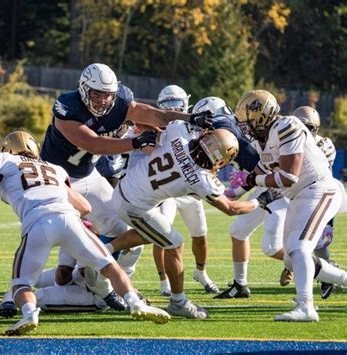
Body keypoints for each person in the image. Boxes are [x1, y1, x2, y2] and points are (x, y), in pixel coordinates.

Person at [0, 131, 170, 335]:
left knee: (20, 284)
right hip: (70, 218)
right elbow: (85, 207)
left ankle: (29, 314)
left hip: (38, 222)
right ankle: (134, 302)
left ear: (7, 149)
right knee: (110, 266)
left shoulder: (4, 159)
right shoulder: (55, 168)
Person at [40, 63, 213, 285]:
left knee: (124, 234)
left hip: (89, 176)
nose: (103, 100)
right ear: (83, 89)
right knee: (56, 257)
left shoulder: (120, 100)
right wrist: (134, 143)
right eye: (97, 94)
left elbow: (156, 115)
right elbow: (93, 144)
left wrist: (190, 118)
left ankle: (105, 286)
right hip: (57, 180)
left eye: (108, 95)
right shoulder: (67, 106)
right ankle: (22, 289)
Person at [110, 120, 279, 319]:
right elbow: (231, 208)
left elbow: (156, 131)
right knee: (174, 243)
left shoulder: (179, 132)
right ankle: (178, 302)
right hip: (134, 206)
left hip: (123, 189)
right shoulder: (202, 179)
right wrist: (261, 200)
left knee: (154, 233)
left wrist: (137, 120)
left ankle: (104, 251)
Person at [235, 89, 347, 321]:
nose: (246, 126)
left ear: (263, 115)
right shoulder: (263, 138)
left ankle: (306, 307)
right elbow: (266, 168)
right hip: (299, 196)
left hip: (318, 189)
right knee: (291, 258)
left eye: (249, 119)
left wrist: (250, 180)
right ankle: (341, 279)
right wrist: (230, 192)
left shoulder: (287, 126)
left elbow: (287, 177)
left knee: (299, 249)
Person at [190, 97, 288, 299]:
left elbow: (255, 172)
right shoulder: (234, 125)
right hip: (262, 183)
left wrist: (233, 193)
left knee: (271, 247)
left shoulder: (224, 126)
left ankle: (320, 269)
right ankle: (240, 286)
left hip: (276, 186)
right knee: (238, 231)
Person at [150, 85, 219, 295]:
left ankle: (201, 272)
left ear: (186, 103)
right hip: (168, 191)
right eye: (167, 105)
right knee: (162, 233)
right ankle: (164, 281)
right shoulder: (157, 127)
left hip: (190, 189)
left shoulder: (198, 127)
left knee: (200, 234)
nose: (173, 108)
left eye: (176, 104)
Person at [292, 105, 338, 298]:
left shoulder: (324, 145)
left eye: (308, 127)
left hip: (319, 195)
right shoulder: (290, 141)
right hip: (297, 195)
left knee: (319, 242)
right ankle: (328, 272)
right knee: (294, 243)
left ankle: (330, 272)